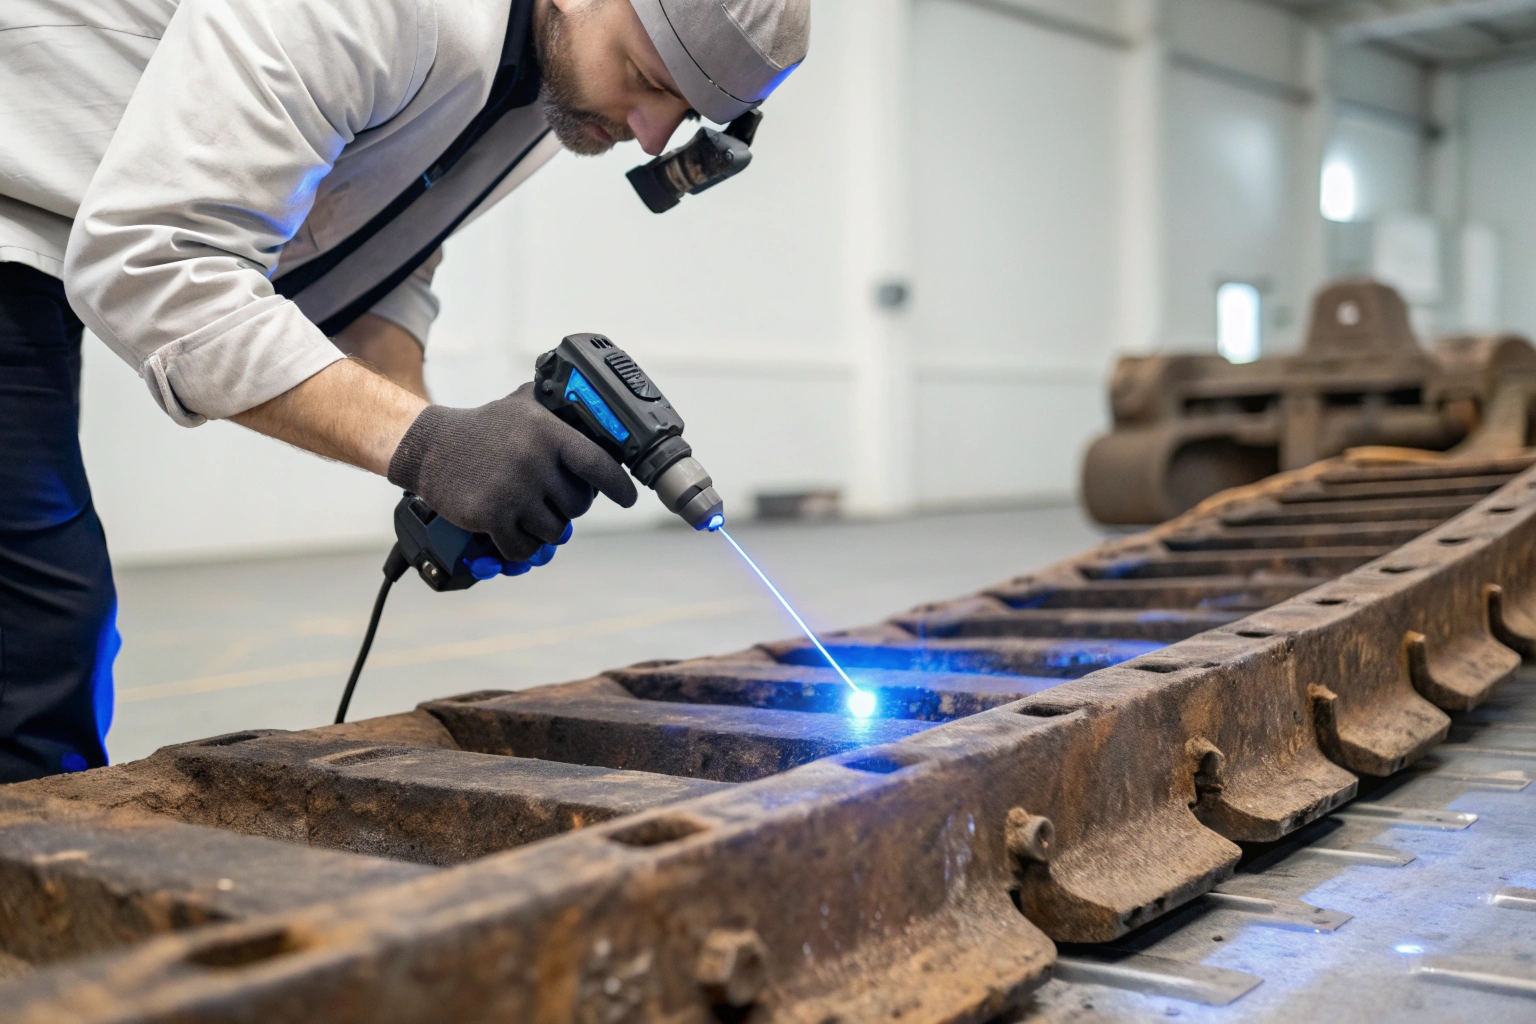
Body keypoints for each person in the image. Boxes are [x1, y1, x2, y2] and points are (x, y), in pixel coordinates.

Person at [0, 0, 810, 781]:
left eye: (686, 112)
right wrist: (425, 446)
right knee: (36, 632)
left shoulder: (557, 82)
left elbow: (374, 242)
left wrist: (441, 439)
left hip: (51, 229)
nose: (651, 133)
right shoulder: (392, 10)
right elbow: (154, 265)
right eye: (645, 75)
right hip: (19, 187)